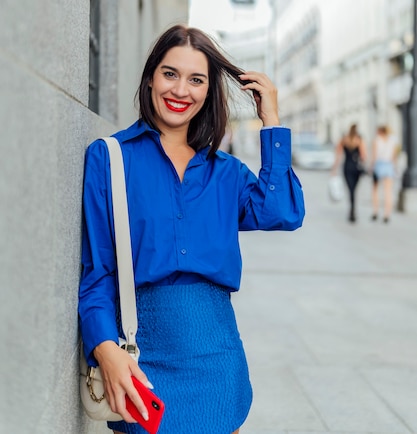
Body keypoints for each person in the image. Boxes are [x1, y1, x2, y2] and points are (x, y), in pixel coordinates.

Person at [78, 24, 305, 434]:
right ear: (150, 78)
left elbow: (283, 212)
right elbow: (97, 272)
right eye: (170, 74)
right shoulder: (109, 159)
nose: (181, 90)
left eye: (196, 79)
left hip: (218, 359)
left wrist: (271, 119)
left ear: (207, 91)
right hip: (141, 355)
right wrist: (105, 349)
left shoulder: (226, 173)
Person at [332, 124, 367, 223]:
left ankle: (351, 210)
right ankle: (353, 209)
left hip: (347, 167)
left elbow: (338, 155)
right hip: (356, 168)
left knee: (350, 189)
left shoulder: (344, 139)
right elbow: (363, 155)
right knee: (354, 189)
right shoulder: (359, 139)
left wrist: (334, 169)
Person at [370, 125, 399, 223]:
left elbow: (374, 156)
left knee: (375, 190)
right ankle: (387, 214)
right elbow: (394, 156)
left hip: (379, 164)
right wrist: (394, 168)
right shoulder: (392, 141)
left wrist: (371, 167)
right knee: (388, 191)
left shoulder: (376, 140)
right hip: (389, 165)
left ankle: (376, 211)